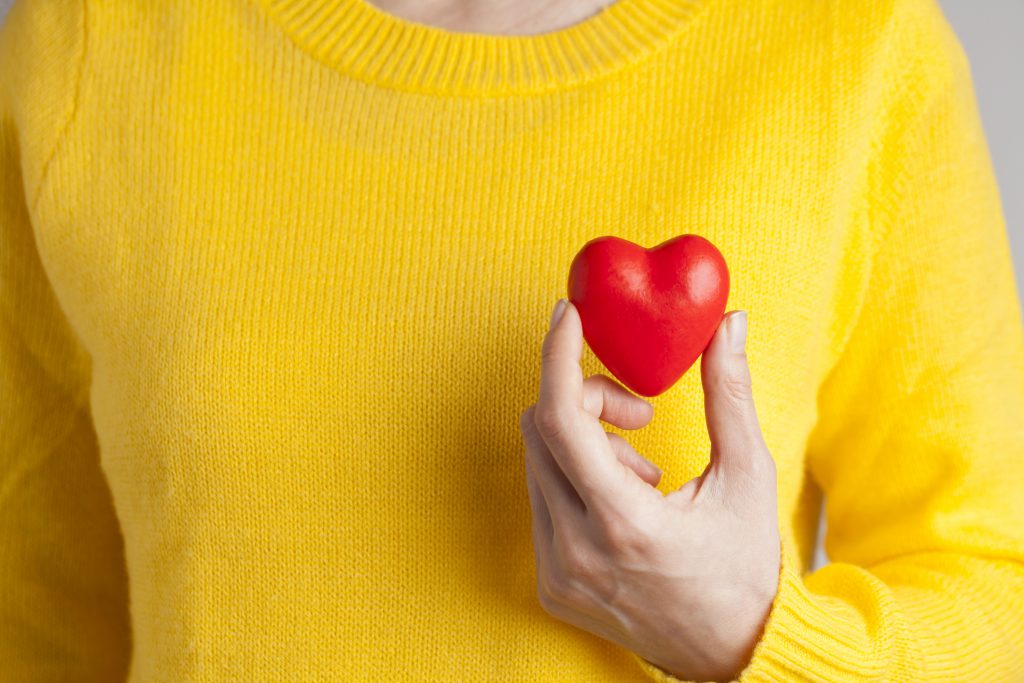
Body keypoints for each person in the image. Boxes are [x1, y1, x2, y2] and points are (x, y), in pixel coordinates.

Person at [1, 0, 1021, 680]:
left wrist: (747, 633)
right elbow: (35, 609)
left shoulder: (850, 48)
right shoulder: (95, 40)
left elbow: (999, 594)